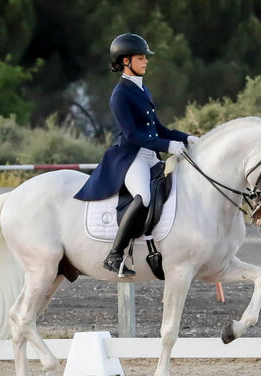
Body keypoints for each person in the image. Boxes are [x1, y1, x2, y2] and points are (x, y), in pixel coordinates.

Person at [74, 33, 198, 276]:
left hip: (151, 156)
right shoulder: (119, 95)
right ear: (126, 61)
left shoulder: (143, 90)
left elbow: (159, 129)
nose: (146, 61)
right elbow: (131, 135)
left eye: (145, 57)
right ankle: (115, 254)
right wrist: (168, 146)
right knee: (144, 197)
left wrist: (187, 138)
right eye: (141, 58)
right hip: (131, 158)